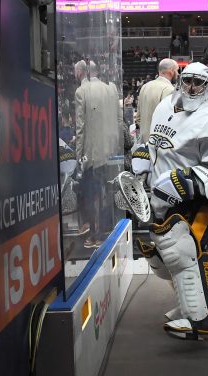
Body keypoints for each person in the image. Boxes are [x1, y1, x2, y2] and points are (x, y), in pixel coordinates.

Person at [133, 62, 208, 340]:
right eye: (188, 80)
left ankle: (198, 321)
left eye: (199, 82)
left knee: (179, 252)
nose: (192, 88)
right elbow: (154, 144)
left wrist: (189, 181)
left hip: (199, 201)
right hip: (162, 199)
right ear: (180, 80)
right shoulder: (164, 105)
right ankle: (186, 307)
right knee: (163, 259)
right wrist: (143, 155)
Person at [75, 60, 120, 248]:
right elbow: (119, 120)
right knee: (107, 192)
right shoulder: (112, 89)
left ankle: (95, 234)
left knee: (92, 194)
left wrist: (79, 156)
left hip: (92, 154)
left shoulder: (81, 91)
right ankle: (107, 230)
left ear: (81, 73)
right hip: (111, 152)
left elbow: (80, 128)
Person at [135, 58, 179, 143]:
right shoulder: (170, 90)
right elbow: (169, 121)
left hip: (144, 141)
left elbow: (138, 118)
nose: (178, 74)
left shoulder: (145, 86)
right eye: (177, 71)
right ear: (171, 72)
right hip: (158, 144)